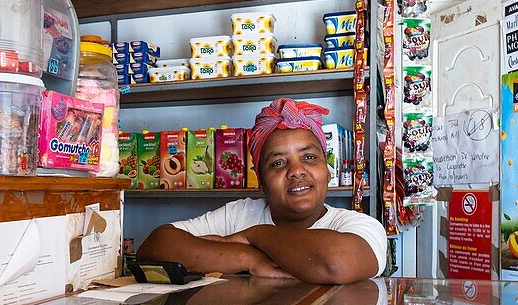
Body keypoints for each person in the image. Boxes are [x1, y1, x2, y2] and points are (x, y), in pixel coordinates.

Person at [137, 98, 387, 284]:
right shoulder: (238, 214)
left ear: (328, 171)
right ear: (262, 183)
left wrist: (254, 235)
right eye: (278, 163)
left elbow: (334, 263)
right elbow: (155, 247)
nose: (296, 171)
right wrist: (248, 258)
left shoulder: (358, 225)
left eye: (309, 157)